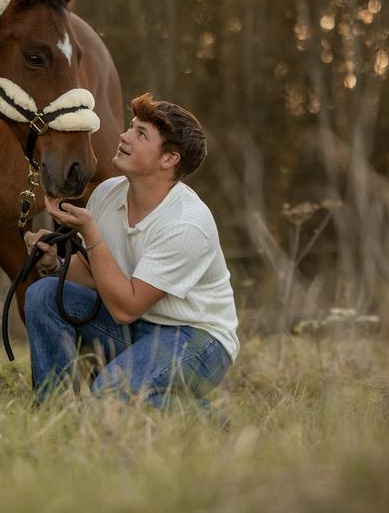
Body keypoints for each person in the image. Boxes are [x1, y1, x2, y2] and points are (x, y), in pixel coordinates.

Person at [23, 93, 239, 408]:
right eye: (130, 127)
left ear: (169, 159)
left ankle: (203, 419)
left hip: (195, 340)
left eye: (140, 134)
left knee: (110, 395)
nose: (123, 136)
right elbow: (97, 275)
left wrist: (90, 232)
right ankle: (56, 412)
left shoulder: (186, 224)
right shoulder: (108, 194)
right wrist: (55, 262)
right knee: (43, 294)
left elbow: (126, 306)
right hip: (132, 325)